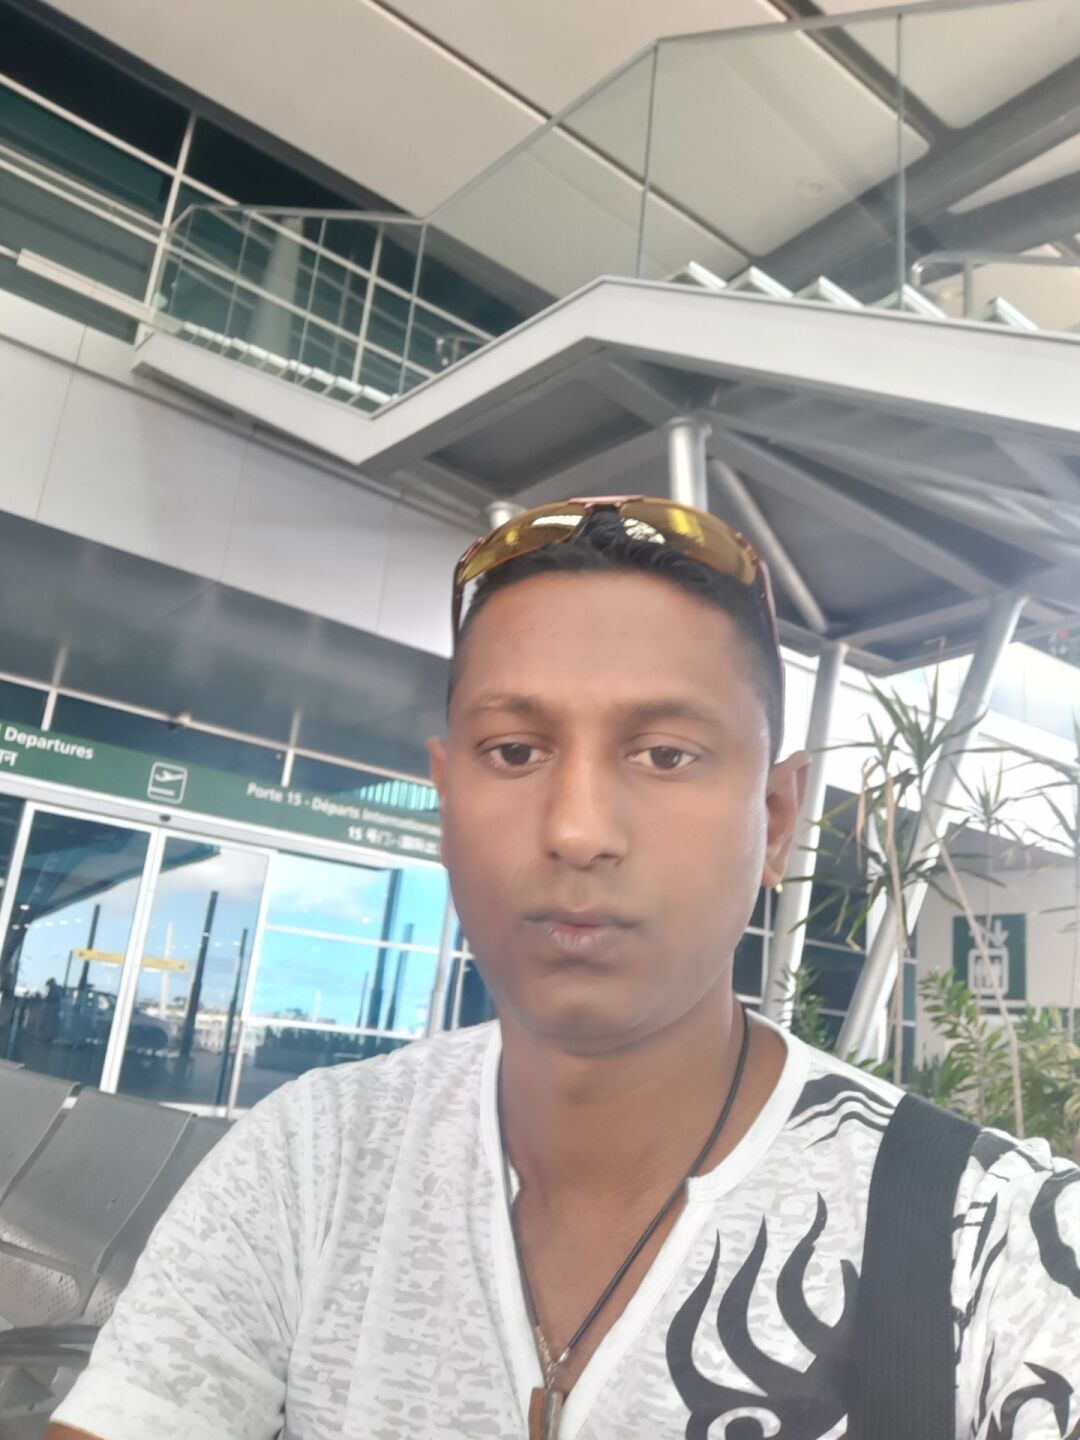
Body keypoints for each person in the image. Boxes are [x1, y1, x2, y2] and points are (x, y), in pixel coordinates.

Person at [48, 497, 1080, 1440]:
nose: (578, 829)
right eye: (514, 751)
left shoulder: (995, 1246)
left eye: (664, 754)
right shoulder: (313, 1163)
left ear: (774, 822)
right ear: (445, 803)